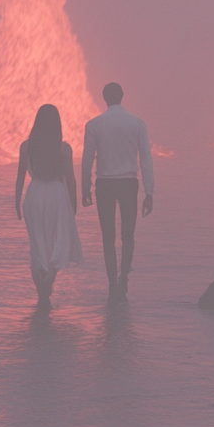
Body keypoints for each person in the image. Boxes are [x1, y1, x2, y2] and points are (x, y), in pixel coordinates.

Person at [81, 82, 154, 301]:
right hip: (128, 183)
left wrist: (85, 186)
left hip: (104, 183)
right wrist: (149, 192)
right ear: (122, 96)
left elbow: (87, 159)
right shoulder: (137, 124)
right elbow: (146, 160)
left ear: (104, 98)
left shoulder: (94, 125)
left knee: (108, 236)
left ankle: (112, 281)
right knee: (128, 235)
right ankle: (124, 278)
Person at [15, 104, 82, 307]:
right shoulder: (63, 149)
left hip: (35, 194)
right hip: (56, 194)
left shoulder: (27, 147)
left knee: (37, 243)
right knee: (56, 241)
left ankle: (41, 293)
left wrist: (16, 202)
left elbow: (19, 177)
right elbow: (70, 179)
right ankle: (49, 283)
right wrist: (73, 204)